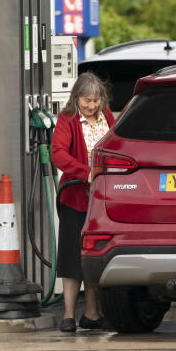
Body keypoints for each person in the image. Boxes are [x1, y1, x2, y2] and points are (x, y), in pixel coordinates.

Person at [52, 71, 115, 332]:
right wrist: (85, 172)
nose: (91, 106)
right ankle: (68, 315)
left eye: (96, 101)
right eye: (87, 101)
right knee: (71, 256)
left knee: (93, 255)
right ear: (76, 98)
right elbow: (58, 154)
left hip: (101, 199)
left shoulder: (107, 117)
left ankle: (91, 312)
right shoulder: (67, 120)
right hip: (75, 196)